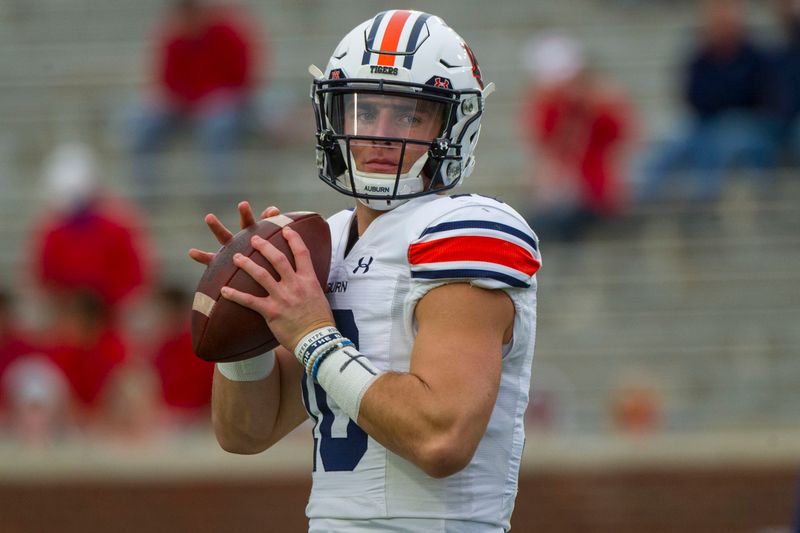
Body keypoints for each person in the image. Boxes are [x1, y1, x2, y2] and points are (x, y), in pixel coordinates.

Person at [188, 10, 541, 532]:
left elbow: (440, 439)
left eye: (407, 116)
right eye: (364, 109)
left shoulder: (468, 229)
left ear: (455, 125)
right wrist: (248, 321)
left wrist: (311, 334)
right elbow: (245, 434)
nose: (378, 134)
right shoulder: (325, 240)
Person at [637, 0, 774, 203]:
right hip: (706, 121)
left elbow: (762, 98)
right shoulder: (700, 58)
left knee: (720, 137)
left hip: (745, 124)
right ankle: (642, 199)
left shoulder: (756, 57)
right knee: (672, 141)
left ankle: (705, 197)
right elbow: (693, 97)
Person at [128, 0, 260, 198]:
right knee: (139, 121)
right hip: (186, 109)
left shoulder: (227, 33)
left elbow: (243, 79)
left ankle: (220, 191)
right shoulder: (174, 40)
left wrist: (213, 99)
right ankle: (146, 194)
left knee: (218, 123)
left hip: (225, 108)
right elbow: (167, 82)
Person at [520, 33, 634, 241]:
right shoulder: (557, 109)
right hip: (565, 190)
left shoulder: (600, 110)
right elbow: (543, 137)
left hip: (592, 192)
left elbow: (620, 133)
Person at [29, 143, 150, 319]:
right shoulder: (52, 234)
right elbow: (45, 278)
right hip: (69, 320)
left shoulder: (116, 229)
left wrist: (106, 302)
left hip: (108, 318)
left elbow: (134, 275)